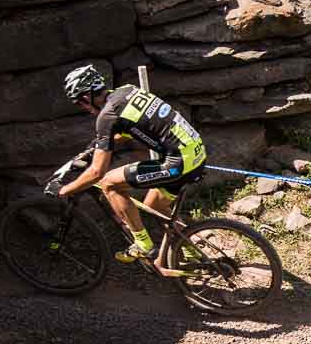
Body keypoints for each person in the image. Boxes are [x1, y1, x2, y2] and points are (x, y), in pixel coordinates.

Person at [56, 65, 207, 264]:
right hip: (196, 152)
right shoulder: (127, 91)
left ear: (87, 97)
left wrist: (66, 190)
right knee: (154, 205)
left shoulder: (106, 117)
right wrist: (94, 148)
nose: (83, 108)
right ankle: (192, 253)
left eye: (79, 103)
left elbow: (96, 172)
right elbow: (129, 129)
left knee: (108, 183)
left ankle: (143, 245)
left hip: (178, 162)